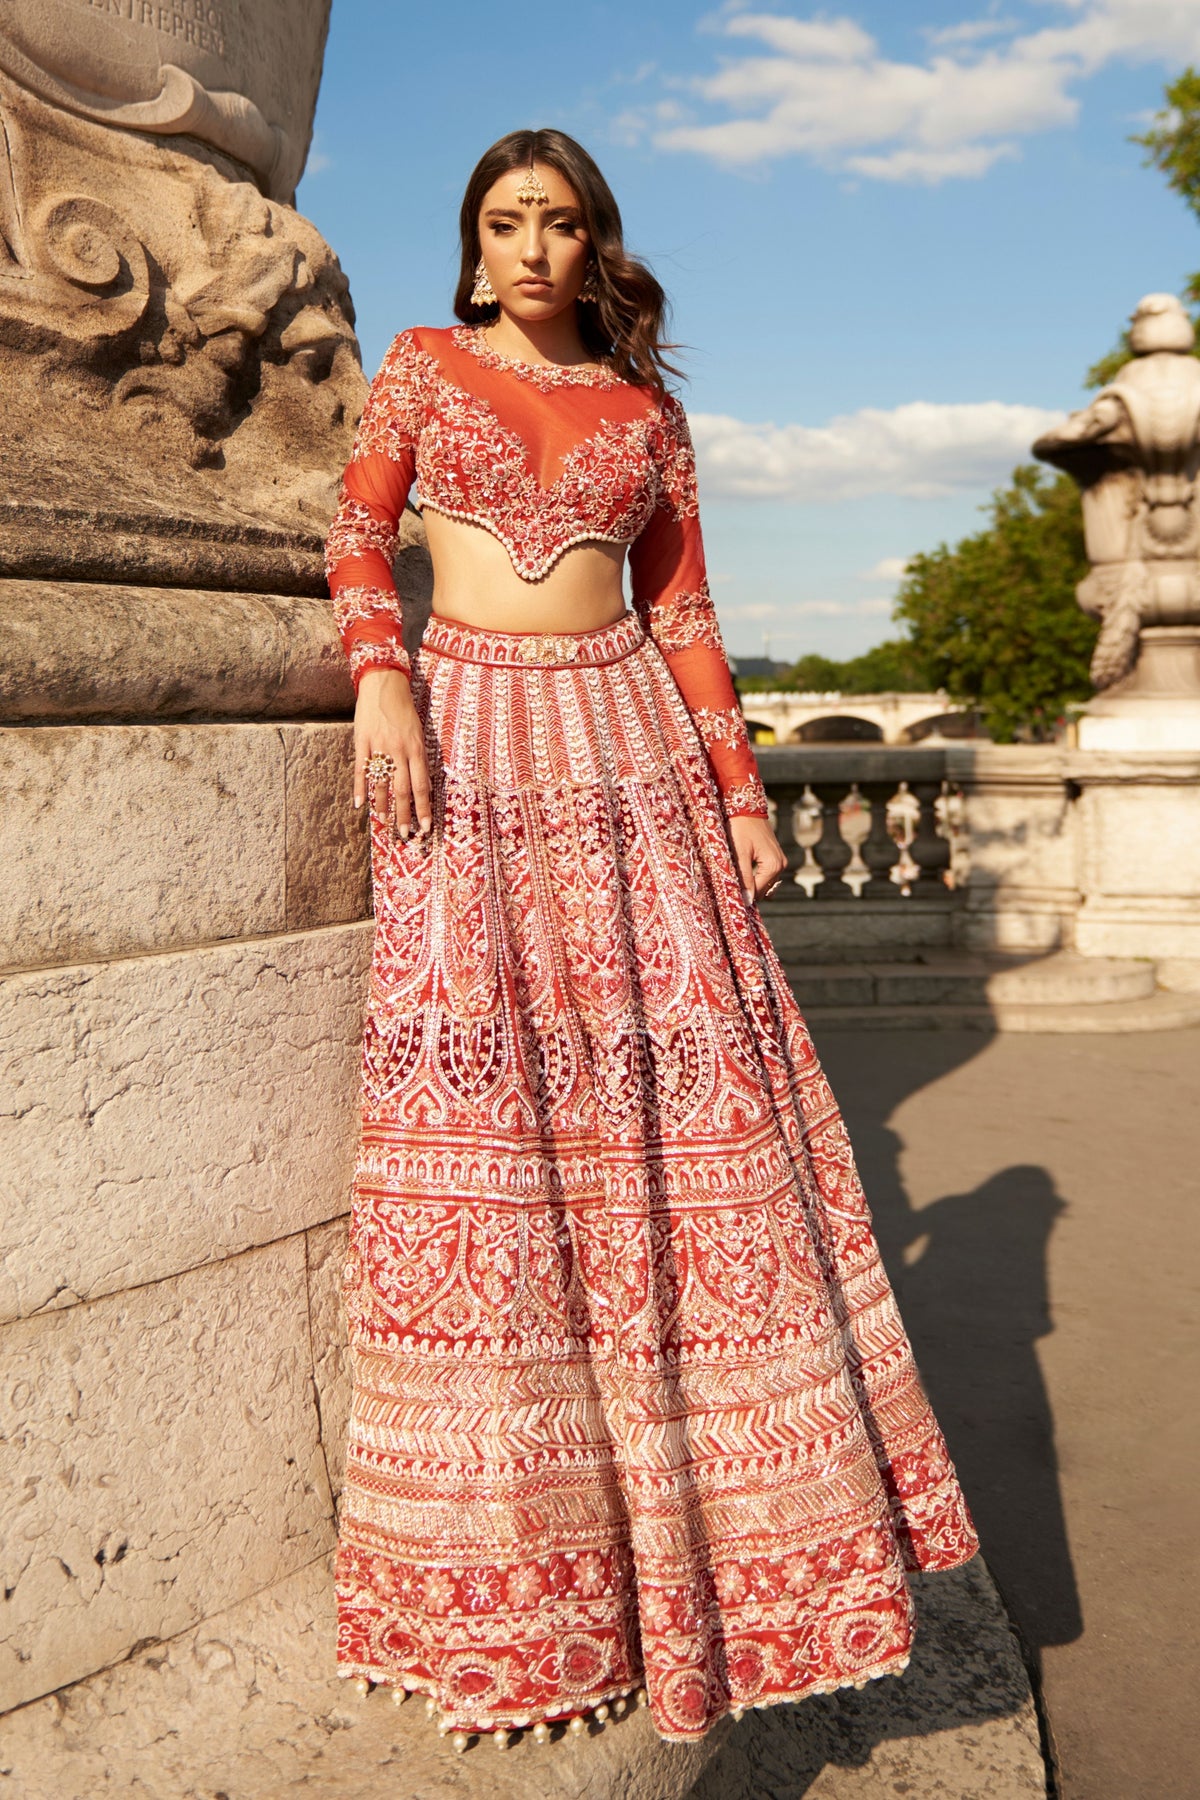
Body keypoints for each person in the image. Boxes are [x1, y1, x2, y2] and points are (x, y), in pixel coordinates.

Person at [324, 126, 978, 1753]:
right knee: (489, 1117)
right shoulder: (417, 369)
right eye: (503, 222)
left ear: (593, 242)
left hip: (631, 757)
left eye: (559, 222)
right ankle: (514, 1573)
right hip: (468, 739)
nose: (531, 247)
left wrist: (745, 794)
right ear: (472, 249)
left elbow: (685, 615)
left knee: (680, 1124)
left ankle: (728, 1562)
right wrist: (384, 674)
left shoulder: (646, 415)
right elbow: (355, 537)